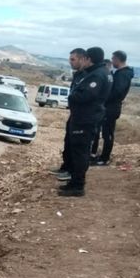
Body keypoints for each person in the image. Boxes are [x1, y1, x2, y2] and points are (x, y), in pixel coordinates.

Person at [58, 46, 110, 197]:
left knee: (80, 152)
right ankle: (74, 182)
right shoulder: (99, 73)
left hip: (85, 118)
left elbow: (85, 96)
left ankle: (78, 186)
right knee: (78, 151)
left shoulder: (97, 75)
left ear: (88, 59)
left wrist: (72, 96)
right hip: (85, 117)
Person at [50, 48, 87, 181]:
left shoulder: (87, 76)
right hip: (74, 114)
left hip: (82, 117)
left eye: (73, 59)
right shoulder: (78, 75)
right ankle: (66, 167)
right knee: (68, 143)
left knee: (77, 148)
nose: (70, 62)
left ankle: (73, 175)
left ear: (82, 59)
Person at [93, 50, 134, 166]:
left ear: (118, 59)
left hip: (112, 108)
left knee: (108, 134)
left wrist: (105, 98)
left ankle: (104, 158)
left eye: (113, 59)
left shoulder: (123, 74)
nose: (112, 61)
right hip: (110, 106)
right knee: (106, 132)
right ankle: (102, 156)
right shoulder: (121, 73)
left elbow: (117, 91)